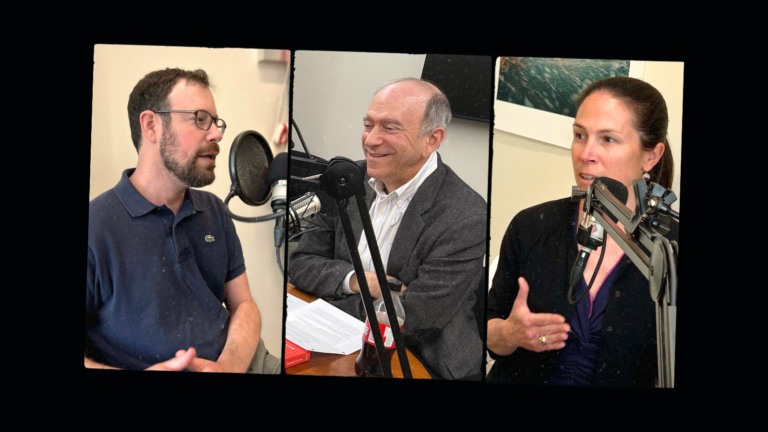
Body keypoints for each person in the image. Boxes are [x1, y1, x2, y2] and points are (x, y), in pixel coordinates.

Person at [288, 78, 487, 380]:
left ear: (431, 140)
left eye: (390, 128)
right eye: (368, 125)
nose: (370, 140)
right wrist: (361, 282)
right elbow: (302, 264)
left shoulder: (467, 215)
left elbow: (416, 318)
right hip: (338, 344)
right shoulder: (346, 179)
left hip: (422, 359)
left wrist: (328, 306)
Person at [486, 76, 679, 387]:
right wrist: (509, 333)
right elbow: (487, 330)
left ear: (651, 156)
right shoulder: (531, 226)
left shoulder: (669, 250)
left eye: (608, 139)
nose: (585, 153)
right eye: (579, 135)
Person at [86, 68, 278, 373]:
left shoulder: (214, 210)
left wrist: (231, 365)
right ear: (151, 126)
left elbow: (244, 306)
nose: (216, 134)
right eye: (200, 119)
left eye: (216, 122)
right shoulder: (95, 227)